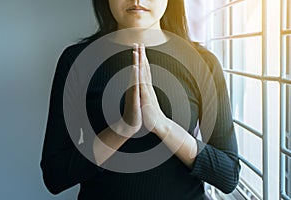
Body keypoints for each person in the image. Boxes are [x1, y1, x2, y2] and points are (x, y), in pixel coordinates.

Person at [40, 0, 241, 199]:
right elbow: (55, 176)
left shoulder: (202, 63)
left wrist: (162, 125)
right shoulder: (77, 61)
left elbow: (228, 175)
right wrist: (123, 128)